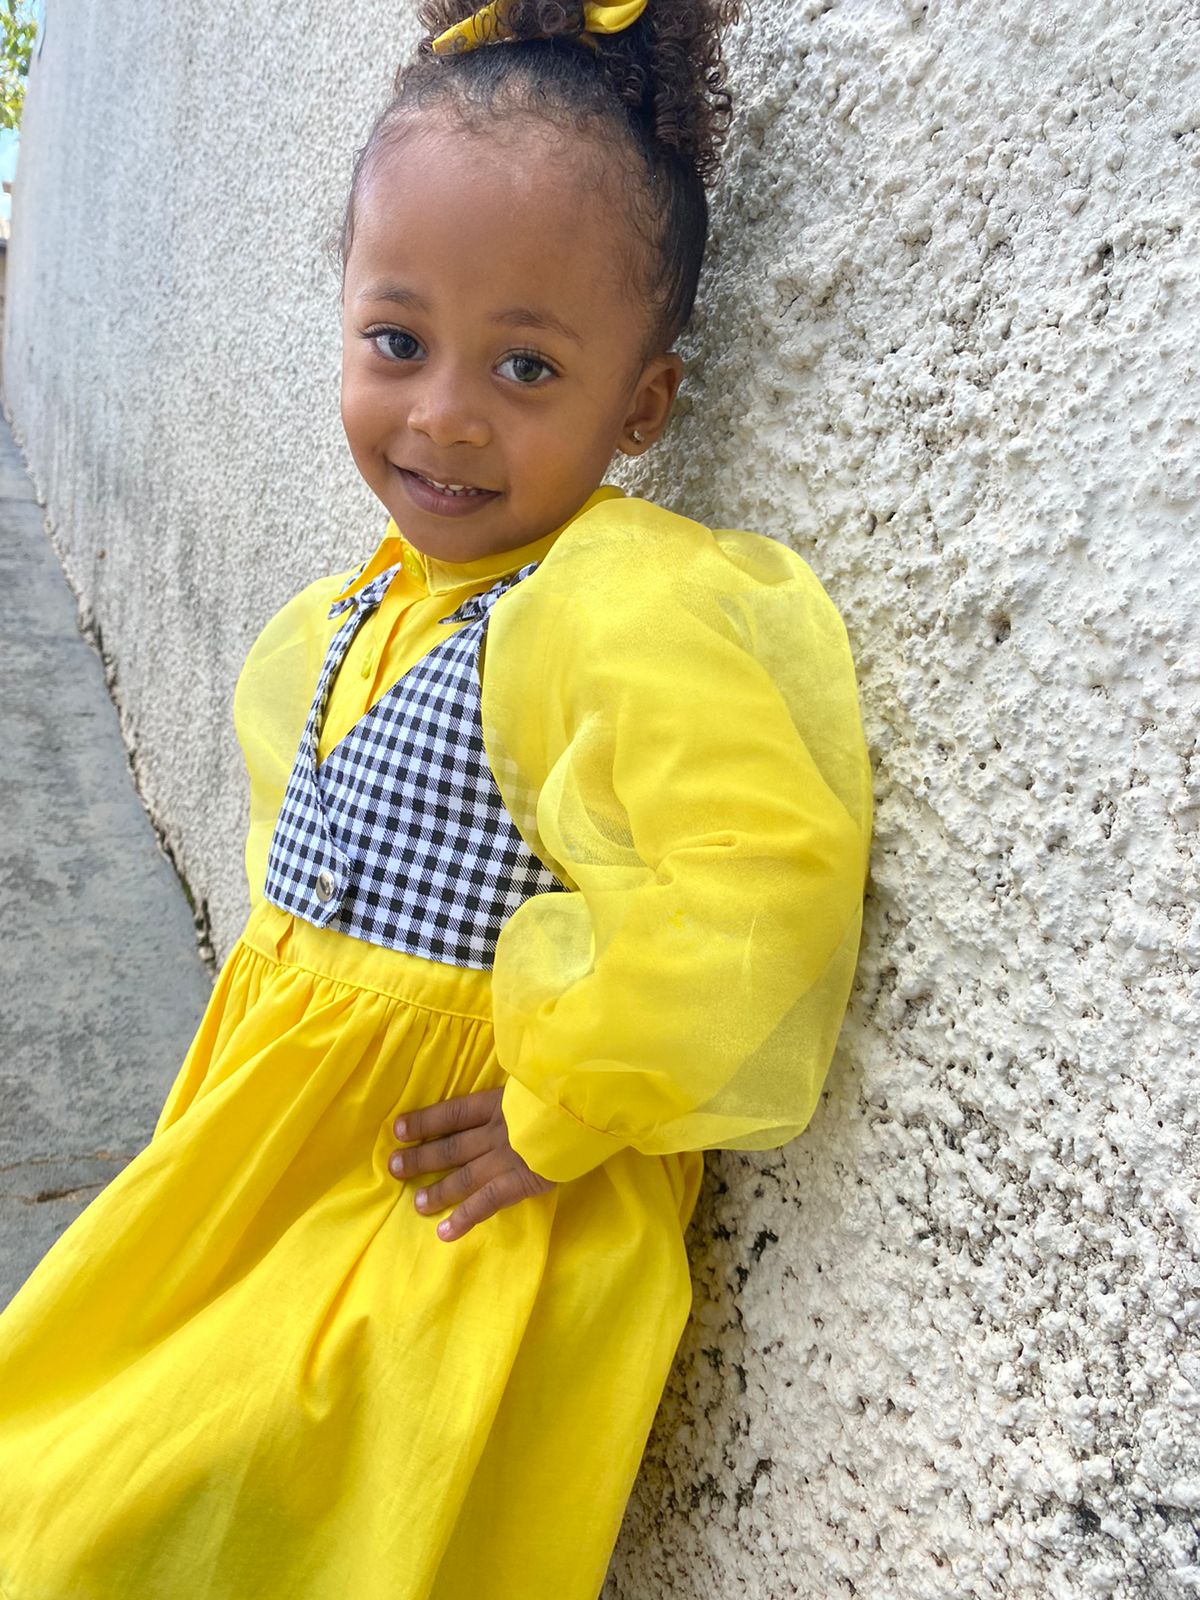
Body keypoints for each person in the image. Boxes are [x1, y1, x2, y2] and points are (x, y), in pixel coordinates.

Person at [0, 2, 872, 1596]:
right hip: (262, 1173)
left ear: (643, 406)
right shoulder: (354, 613)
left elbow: (759, 876)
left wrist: (567, 1104)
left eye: (527, 365)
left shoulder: (609, 608)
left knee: (178, 1522)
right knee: (68, 1467)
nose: (447, 412)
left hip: (439, 1207)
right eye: (398, 342)